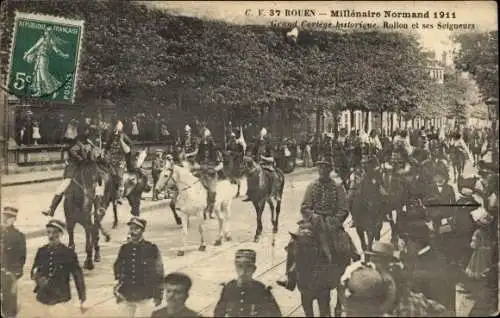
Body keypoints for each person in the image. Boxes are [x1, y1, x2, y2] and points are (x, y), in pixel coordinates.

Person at [276, 152, 357, 290]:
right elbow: (304, 207)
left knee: (343, 245)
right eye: (320, 168)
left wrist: (335, 220)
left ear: (330, 170)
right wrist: (313, 216)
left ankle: (346, 275)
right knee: (293, 243)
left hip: (331, 224)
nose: (322, 171)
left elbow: (344, 209)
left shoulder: (337, 187)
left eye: (325, 168)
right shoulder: (311, 186)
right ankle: (290, 276)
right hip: (313, 223)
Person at [399, 220, 459, 315]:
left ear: (417, 242)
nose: (406, 245)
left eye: (407, 241)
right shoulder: (423, 256)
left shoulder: (435, 262)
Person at [30, 219, 86, 317]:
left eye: (55, 233)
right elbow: (33, 271)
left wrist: (82, 298)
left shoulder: (68, 253)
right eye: (48, 232)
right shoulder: (41, 251)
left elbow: (78, 276)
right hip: (43, 298)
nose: (51, 236)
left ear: (60, 234)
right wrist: (38, 279)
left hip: (61, 299)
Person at [114, 217, 164, 318]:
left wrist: (158, 294)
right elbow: (117, 267)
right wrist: (117, 288)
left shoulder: (151, 248)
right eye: (131, 229)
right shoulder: (125, 248)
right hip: (127, 293)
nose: (133, 232)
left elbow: (159, 271)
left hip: (145, 294)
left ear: (142, 230)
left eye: (136, 229)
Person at [42, 124, 95, 217]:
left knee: (97, 185)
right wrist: (84, 159)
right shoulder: (74, 144)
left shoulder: (89, 143)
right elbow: (77, 156)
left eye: (88, 131)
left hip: (85, 169)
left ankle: (98, 208)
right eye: (86, 131)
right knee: (63, 187)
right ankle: (51, 209)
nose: (87, 133)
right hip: (73, 170)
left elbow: (91, 156)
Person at [214, 249, 281, 317]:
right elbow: (218, 314)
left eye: (248, 267)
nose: (243, 271)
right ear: (236, 268)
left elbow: (276, 314)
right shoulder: (229, 289)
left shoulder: (262, 290)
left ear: (254, 269)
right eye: (240, 266)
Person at [1, 207, 27, 318]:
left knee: (9, 307)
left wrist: (15, 273)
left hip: (9, 275)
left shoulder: (19, 236)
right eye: (4, 216)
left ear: (14, 219)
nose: (5, 219)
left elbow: (21, 258)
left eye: (8, 217)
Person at [192, 128, 223, 219]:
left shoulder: (216, 152)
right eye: (204, 140)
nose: (205, 143)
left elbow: (221, 164)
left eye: (207, 140)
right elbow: (196, 163)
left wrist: (215, 169)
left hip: (211, 174)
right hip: (201, 172)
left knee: (212, 191)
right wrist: (199, 166)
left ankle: (211, 210)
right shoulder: (200, 152)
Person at [242, 127, 279, 201]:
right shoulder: (257, 145)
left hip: (267, 165)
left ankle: (274, 194)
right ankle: (249, 193)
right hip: (258, 165)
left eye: (263, 138)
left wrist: (264, 158)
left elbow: (272, 159)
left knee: (274, 176)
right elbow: (252, 154)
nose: (261, 140)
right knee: (249, 174)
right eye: (260, 138)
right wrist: (248, 157)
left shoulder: (269, 145)